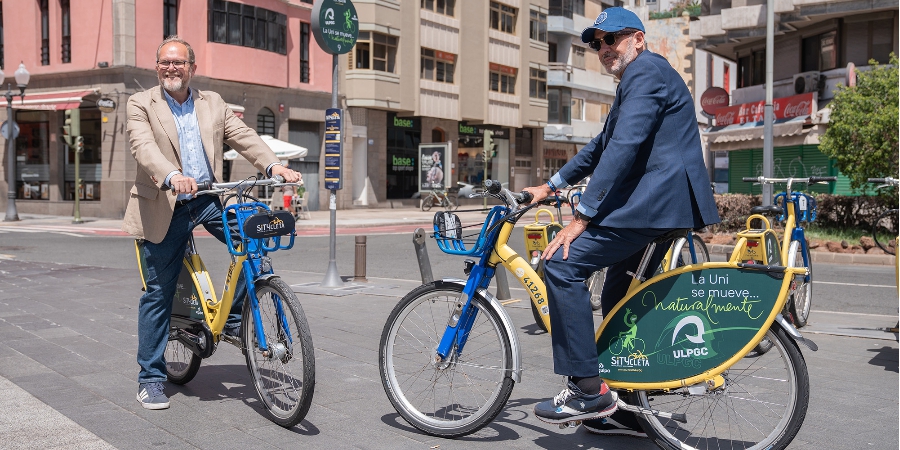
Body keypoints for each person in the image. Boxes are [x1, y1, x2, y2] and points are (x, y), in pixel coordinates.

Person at [522, 7, 720, 434]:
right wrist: (551, 185)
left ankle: (588, 390)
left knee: (561, 265)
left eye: (612, 38)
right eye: (596, 43)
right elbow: (600, 146)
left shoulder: (646, 72)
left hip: (654, 205)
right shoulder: (638, 79)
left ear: (638, 39)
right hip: (658, 205)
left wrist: (583, 215)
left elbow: (624, 145)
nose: (604, 48)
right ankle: (626, 407)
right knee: (617, 301)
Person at [123, 36, 302, 410]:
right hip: (165, 202)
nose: (171, 68)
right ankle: (151, 378)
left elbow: (243, 136)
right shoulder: (140, 103)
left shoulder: (213, 103)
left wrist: (273, 166)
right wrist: (172, 175)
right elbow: (143, 147)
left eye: (179, 63)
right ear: (157, 67)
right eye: (165, 63)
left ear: (192, 67)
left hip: (207, 199)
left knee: (255, 247)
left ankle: (235, 319)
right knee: (158, 291)